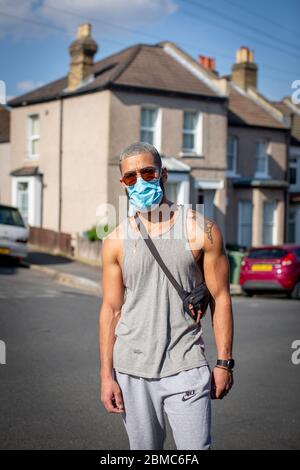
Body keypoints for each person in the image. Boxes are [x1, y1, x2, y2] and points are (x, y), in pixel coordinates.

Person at [99, 142, 234, 450]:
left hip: (186, 364)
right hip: (131, 369)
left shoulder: (201, 230)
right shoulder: (115, 240)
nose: (140, 181)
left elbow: (221, 298)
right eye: (130, 177)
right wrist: (106, 376)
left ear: (163, 175)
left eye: (147, 172)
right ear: (123, 184)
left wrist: (224, 363)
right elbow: (110, 310)